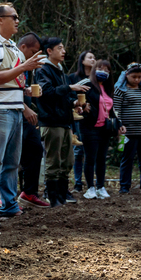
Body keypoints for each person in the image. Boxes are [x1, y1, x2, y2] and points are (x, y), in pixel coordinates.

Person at [0, 3, 43, 221]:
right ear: (0, 20)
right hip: (0, 111)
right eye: (13, 17)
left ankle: (9, 203)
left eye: (17, 16)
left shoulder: (14, 48)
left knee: (13, 163)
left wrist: (25, 89)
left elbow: (11, 79)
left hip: (16, 110)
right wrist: (24, 68)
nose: (17, 20)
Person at [34, 37, 88, 207]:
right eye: (59, 48)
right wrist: (71, 88)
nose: (63, 51)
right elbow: (47, 92)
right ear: (49, 51)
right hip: (51, 121)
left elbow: (62, 96)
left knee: (67, 161)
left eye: (63, 48)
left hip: (65, 122)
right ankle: (53, 196)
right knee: (54, 161)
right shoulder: (43, 70)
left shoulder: (60, 72)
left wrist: (74, 104)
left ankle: (62, 196)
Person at [15, 32, 49, 209]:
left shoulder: (27, 66)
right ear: (23, 48)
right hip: (13, 113)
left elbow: (18, 86)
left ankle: (29, 193)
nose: (35, 56)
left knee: (35, 149)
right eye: (33, 52)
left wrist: (28, 91)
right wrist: (25, 107)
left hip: (28, 116)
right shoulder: (14, 59)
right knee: (10, 157)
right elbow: (3, 87)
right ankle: (1, 197)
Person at [114, 62, 141, 194]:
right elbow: (116, 109)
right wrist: (119, 125)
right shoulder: (120, 90)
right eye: (134, 77)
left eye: (139, 77)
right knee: (128, 158)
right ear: (127, 75)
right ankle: (124, 186)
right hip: (128, 131)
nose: (137, 79)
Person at [80, 60, 118, 200]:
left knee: (101, 159)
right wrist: (83, 106)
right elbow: (76, 98)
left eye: (107, 70)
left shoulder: (108, 88)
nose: (104, 72)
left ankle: (101, 186)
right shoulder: (87, 85)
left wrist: (119, 124)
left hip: (105, 129)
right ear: (94, 69)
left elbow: (111, 109)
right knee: (90, 158)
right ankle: (90, 188)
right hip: (90, 127)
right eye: (101, 68)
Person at [67, 51, 95, 192]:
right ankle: (78, 183)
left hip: (93, 118)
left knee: (92, 151)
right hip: (78, 118)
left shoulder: (97, 78)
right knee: (78, 151)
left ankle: (92, 183)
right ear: (82, 60)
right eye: (90, 57)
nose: (93, 60)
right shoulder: (73, 78)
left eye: (94, 58)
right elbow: (69, 95)